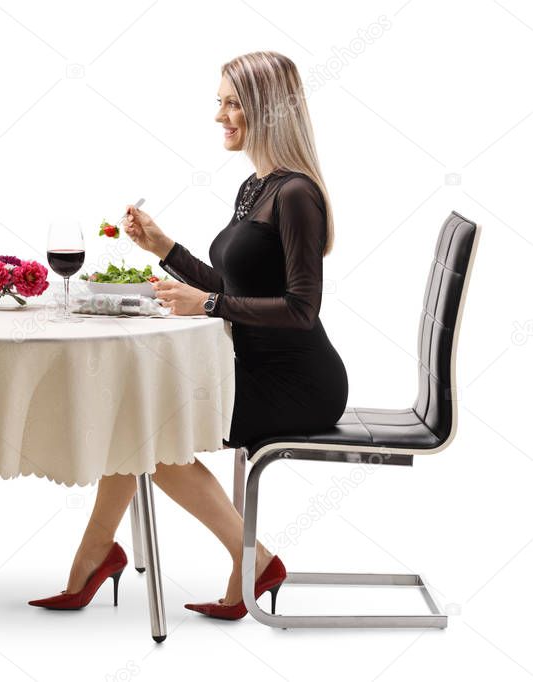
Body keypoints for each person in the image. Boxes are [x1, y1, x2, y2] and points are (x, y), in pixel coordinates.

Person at [28, 51, 349, 620]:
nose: (221, 115)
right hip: (253, 369)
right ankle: (96, 557)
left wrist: (209, 303)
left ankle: (249, 559)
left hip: (298, 383)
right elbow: (234, 284)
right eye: (220, 102)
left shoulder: (297, 194)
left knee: (150, 435)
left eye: (233, 103)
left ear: (268, 109)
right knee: (136, 418)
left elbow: (302, 308)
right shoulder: (257, 186)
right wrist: (165, 251)